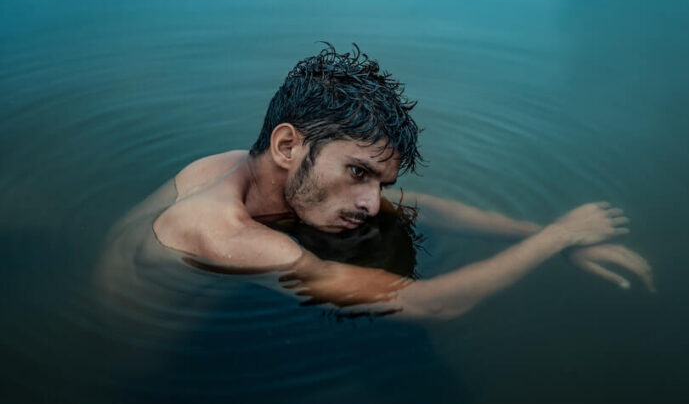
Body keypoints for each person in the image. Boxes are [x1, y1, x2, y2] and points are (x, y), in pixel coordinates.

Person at [105, 44, 654, 321]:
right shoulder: (231, 236)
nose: (371, 203)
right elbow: (431, 305)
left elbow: (424, 207)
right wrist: (555, 239)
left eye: (381, 182)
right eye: (358, 173)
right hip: (137, 375)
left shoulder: (236, 167)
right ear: (288, 144)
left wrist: (546, 232)